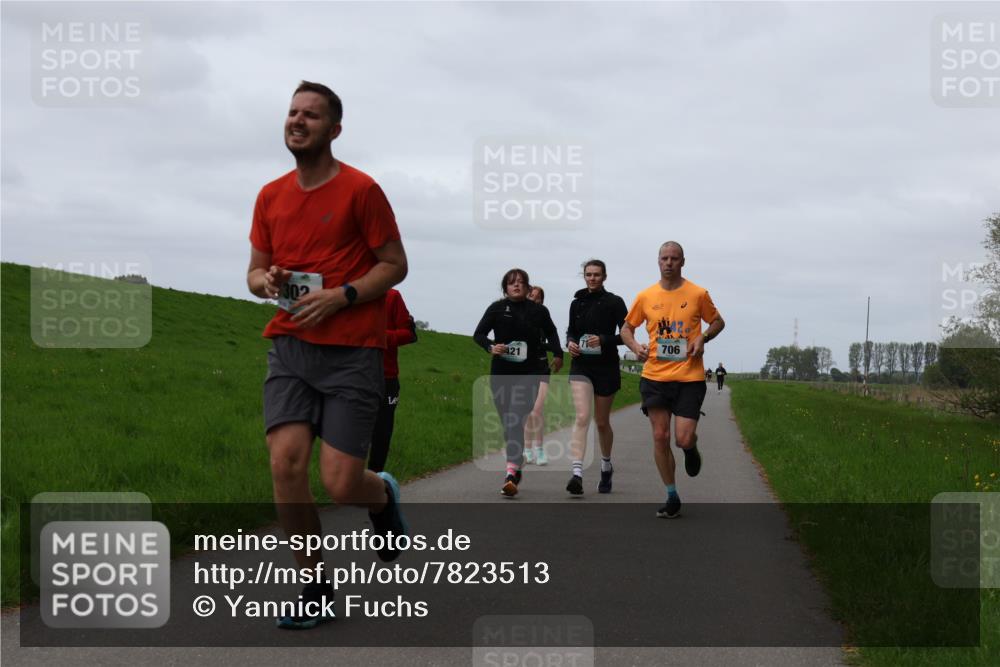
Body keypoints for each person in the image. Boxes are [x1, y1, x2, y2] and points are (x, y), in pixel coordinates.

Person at [247, 81, 409, 629]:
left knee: (342, 484)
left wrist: (342, 295)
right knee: (285, 466)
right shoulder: (270, 195)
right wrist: (265, 280)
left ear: (334, 129)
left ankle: (381, 495)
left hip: (350, 355)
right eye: (292, 112)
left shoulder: (361, 190)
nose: (297, 121)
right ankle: (314, 585)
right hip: (289, 347)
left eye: (310, 115)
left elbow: (394, 264)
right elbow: (253, 272)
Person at [621, 241, 725, 518]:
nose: (669, 263)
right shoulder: (645, 296)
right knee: (660, 435)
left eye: (674, 258)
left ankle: (691, 450)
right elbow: (626, 328)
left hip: (689, 377)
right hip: (654, 375)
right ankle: (671, 495)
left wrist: (703, 337)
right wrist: (635, 347)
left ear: (682, 262)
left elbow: (717, 322)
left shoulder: (698, 293)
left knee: (682, 438)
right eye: (664, 258)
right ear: (658, 261)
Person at [474, 269, 563, 496]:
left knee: (515, 417)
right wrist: (491, 347)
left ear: (527, 287)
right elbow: (479, 334)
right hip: (501, 373)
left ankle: (511, 473)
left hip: (531, 372)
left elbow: (552, 333)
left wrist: (558, 354)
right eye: (512, 283)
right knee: (508, 423)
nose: (516, 286)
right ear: (505, 287)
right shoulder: (496, 309)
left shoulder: (538, 310)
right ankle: (517, 458)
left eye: (521, 283)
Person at [565, 259, 628, 495]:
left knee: (601, 422)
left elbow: (625, 335)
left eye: (596, 275)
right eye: (588, 274)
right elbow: (571, 329)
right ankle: (577, 474)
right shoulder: (576, 302)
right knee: (582, 416)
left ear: (604, 277)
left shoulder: (615, 302)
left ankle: (605, 465)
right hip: (581, 365)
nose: (592, 278)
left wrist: (603, 339)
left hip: (606, 366)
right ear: (584, 276)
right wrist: (570, 342)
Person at [368, 289, 417, 472]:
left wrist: (380, 336)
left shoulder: (391, 296)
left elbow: (409, 334)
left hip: (386, 376)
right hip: (351, 376)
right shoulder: (343, 290)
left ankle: (375, 478)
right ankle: (350, 481)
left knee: (381, 433)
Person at [523, 285, 563, 466]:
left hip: (541, 367)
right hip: (521, 369)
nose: (534, 300)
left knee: (537, 410)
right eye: (531, 296)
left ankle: (539, 449)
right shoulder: (518, 315)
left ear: (542, 301)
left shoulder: (542, 315)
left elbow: (552, 336)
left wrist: (556, 353)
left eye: (537, 298)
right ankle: (526, 448)